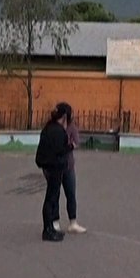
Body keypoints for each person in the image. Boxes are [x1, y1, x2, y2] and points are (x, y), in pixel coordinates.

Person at [35, 102, 72, 242]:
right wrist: (69, 147)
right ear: (64, 116)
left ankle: (49, 227)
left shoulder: (48, 128)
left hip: (47, 166)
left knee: (50, 198)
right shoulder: (58, 131)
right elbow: (60, 150)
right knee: (51, 199)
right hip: (55, 167)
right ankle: (48, 230)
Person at [54, 104, 88, 235]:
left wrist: (67, 146)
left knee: (71, 193)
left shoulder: (71, 127)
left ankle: (73, 222)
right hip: (55, 166)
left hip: (68, 165)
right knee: (54, 194)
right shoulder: (53, 127)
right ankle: (54, 222)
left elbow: (76, 142)